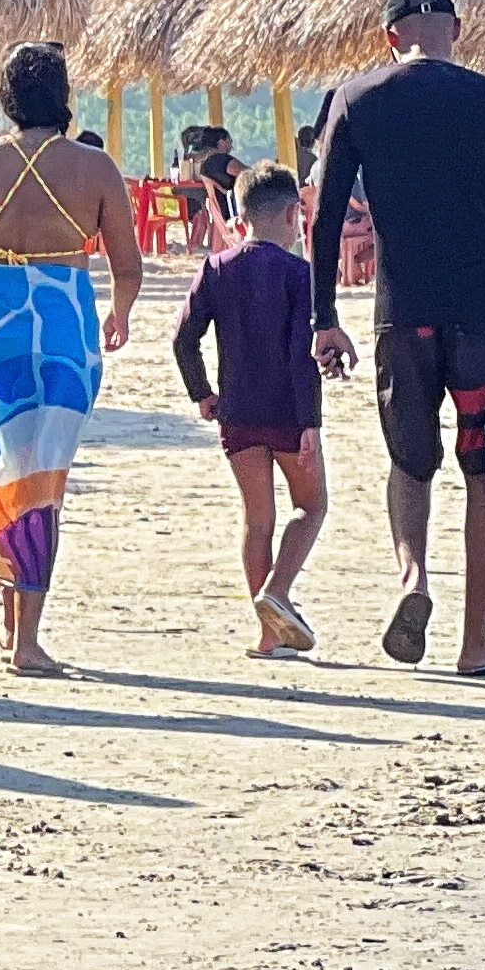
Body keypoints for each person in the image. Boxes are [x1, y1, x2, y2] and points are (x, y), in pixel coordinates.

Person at [305, 0, 485, 675]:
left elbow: (324, 220)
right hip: (484, 320)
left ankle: (412, 578)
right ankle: (476, 645)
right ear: (456, 29)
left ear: (391, 37)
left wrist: (323, 318)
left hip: (402, 317)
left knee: (410, 464)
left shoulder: (356, 99)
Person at [0, 41, 142, 676]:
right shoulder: (96, 169)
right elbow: (125, 265)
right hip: (60, 335)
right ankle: (27, 641)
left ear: (6, 98)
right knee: (39, 481)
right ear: (65, 95)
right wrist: (120, 312)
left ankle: (8, 620)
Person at [174, 159, 328, 658]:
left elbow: (183, 339)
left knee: (256, 518)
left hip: (236, 412)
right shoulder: (299, 274)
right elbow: (300, 355)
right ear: (291, 215)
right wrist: (311, 422)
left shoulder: (217, 268)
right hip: (286, 412)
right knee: (311, 507)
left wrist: (202, 393)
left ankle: (268, 634)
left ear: (242, 218)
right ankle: (277, 593)